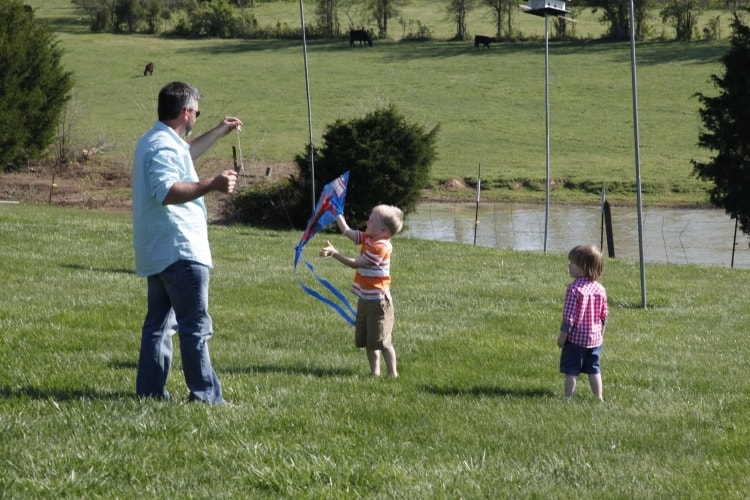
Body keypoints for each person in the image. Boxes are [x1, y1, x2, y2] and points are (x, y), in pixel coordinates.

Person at [132, 81, 242, 404]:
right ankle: (206, 395)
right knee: (195, 327)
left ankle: (150, 393)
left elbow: (187, 151)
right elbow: (165, 191)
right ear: (186, 112)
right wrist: (213, 184)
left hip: (161, 251)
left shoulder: (156, 140)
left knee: (160, 326)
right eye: (197, 111)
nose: (197, 116)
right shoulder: (163, 147)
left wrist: (219, 131)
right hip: (180, 249)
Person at [319, 205, 404, 377]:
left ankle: (393, 374)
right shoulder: (369, 238)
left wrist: (335, 253)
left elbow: (355, 263)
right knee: (368, 341)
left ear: (383, 229)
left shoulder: (380, 247)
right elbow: (347, 231)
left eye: (371, 220)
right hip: (365, 300)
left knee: (383, 341)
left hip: (379, 303)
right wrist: (337, 214)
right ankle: (375, 373)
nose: (367, 221)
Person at [557, 244, 608, 401]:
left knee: (572, 370)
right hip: (595, 338)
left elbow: (569, 317)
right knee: (594, 369)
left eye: (572, 263)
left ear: (583, 268)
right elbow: (603, 315)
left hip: (576, 339)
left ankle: (568, 397)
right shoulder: (600, 289)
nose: (569, 265)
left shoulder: (574, 289)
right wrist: (601, 334)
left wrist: (563, 336)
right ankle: (598, 397)